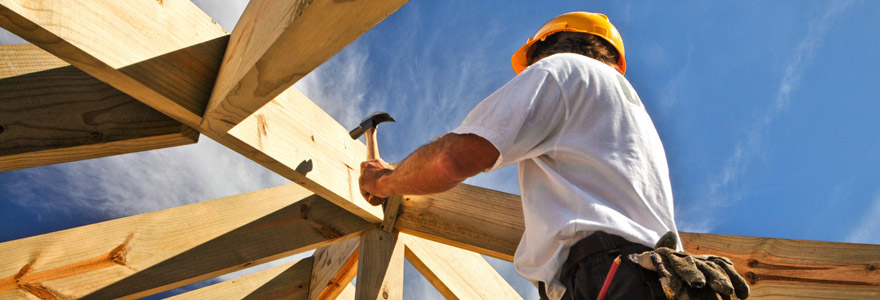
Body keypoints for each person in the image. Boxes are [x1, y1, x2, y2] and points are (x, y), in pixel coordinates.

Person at [359, 12, 678, 300]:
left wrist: (384, 181)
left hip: (607, 275)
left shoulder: (562, 70)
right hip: (658, 279)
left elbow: (451, 159)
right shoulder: (631, 114)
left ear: (546, 48)